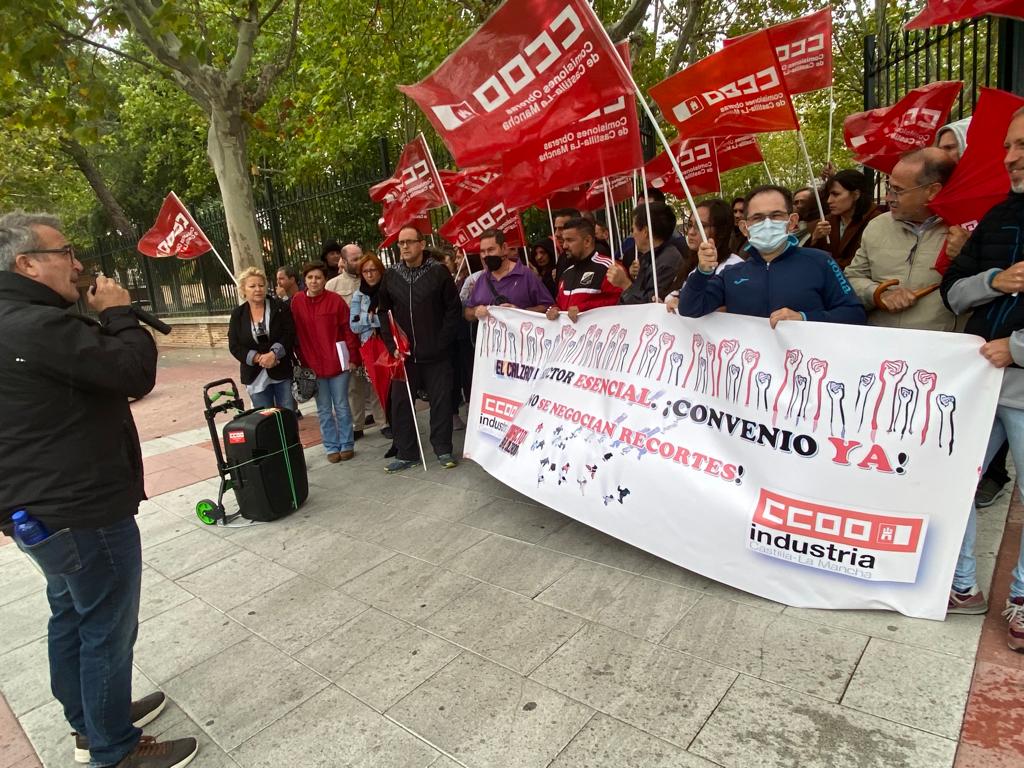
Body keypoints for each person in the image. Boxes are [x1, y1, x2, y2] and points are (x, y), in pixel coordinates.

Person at [0, 211, 197, 768]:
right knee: (106, 625)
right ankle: (115, 749)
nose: (78, 263)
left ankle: (90, 720)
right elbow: (131, 373)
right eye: (64, 252)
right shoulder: (34, 327)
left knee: (72, 613)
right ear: (27, 263)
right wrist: (118, 316)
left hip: (38, 508)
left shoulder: (16, 320)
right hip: (80, 508)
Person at [940, 106, 1024, 650]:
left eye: (1022, 147)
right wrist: (995, 279)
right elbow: (954, 289)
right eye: (1009, 147)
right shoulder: (997, 216)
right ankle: (961, 584)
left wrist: (1016, 348)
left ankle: (1021, 601)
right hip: (978, 382)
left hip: (1016, 383)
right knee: (955, 484)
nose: (1010, 158)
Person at [672, 185, 866, 326]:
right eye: (757, 218)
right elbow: (690, 308)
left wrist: (805, 318)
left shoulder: (821, 262)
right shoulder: (732, 273)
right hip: (749, 375)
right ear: (744, 228)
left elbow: (854, 314)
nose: (766, 223)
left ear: (792, 222)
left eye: (775, 216)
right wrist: (702, 272)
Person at [378, 224, 462, 472]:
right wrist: (391, 343)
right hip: (404, 356)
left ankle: (443, 448)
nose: (404, 247)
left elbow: (453, 310)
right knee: (401, 403)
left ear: (421, 244)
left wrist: (441, 342)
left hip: (437, 354)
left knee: (441, 402)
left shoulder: (438, 272)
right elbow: (384, 311)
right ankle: (407, 453)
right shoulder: (391, 274)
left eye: (409, 242)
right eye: (400, 243)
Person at [845, 148, 959, 331]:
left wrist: (964, 253)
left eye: (898, 190)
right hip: (880, 341)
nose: (889, 198)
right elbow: (852, 277)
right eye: (889, 187)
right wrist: (877, 294)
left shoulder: (962, 231)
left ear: (932, 191)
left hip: (939, 346)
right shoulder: (877, 226)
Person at [290, 261, 361, 463]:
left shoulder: (335, 301)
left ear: (325, 280)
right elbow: (293, 332)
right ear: (305, 280)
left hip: (338, 363)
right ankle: (331, 446)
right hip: (312, 366)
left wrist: (354, 357)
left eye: (318, 277)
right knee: (323, 410)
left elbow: (348, 330)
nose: (314, 281)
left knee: (341, 405)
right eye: (310, 277)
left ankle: (347, 444)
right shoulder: (297, 302)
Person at [326, 243, 380, 439]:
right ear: (344, 261)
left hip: (372, 339)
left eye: (360, 257)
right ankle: (357, 425)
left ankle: (382, 421)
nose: (359, 262)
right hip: (349, 342)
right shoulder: (333, 286)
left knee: (376, 381)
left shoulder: (371, 277)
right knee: (353, 386)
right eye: (354, 259)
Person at [228, 267, 296, 409]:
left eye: (261, 285)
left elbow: (289, 333)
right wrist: (258, 358)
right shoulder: (238, 315)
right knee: (265, 420)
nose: (257, 289)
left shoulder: (279, 307)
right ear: (243, 289)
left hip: (280, 370)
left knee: (287, 415)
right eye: (252, 286)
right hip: (254, 374)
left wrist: (273, 354)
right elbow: (234, 345)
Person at [349, 253, 395, 446]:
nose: (369, 274)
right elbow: (354, 325)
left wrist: (367, 317)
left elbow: (394, 317)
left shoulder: (389, 289)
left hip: (389, 342)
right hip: (370, 343)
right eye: (365, 271)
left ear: (380, 270)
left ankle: (394, 419)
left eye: (372, 270)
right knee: (376, 384)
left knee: (393, 384)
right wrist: (375, 318)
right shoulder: (358, 295)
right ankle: (383, 422)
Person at [545, 217, 623, 323]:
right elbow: (559, 304)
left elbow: (622, 302)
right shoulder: (566, 273)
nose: (564, 246)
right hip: (570, 338)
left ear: (587, 241)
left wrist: (584, 309)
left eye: (570, 240)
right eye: (564, 241)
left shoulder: (609, 267)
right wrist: (554, 309)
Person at [465, 229, 554, 320]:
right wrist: (476, 311)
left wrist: (519, 311)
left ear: (504, 248)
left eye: (491, 250)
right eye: (482, 251)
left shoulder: (525, 274)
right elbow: (467, 312)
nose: (486, 255)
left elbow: (548, 307)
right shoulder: (482, 279)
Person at [608, 201, 684, 303]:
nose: (632, 234)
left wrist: (625, 284)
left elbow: (649, 307)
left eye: (633, 229)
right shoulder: (651, 257)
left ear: (645, 232)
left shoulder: (667, 262)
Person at [809, 169, 884, 269]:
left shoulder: (876, 221)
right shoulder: (826, 221)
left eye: (836, 194)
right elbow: (810, 258)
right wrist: (815, 239)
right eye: (829, 194)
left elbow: (866, 263)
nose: (829, 200)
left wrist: (827, 263)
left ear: (856, 195)